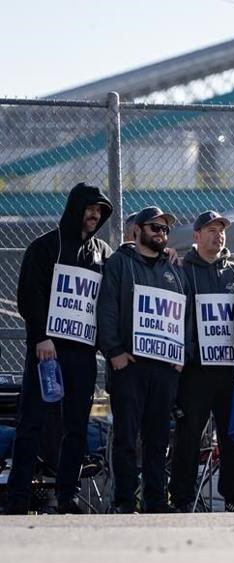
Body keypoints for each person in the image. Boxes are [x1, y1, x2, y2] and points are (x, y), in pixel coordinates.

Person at [5, 183, 114, 515]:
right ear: (74, 208)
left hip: (82, 353)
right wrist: (40, 337)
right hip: (46, 351)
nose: (95, 214)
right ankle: (18, 498)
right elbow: (29, 295)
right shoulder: (45, 247)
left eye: (99, 210)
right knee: (31, 423)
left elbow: (112, 294)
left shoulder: (104, 253)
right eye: (89, 208)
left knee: (77, 426)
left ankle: (68, 494)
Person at [97, 206, 189, 513]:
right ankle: (125, 501)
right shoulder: (119, 264)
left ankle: (155, 500)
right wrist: (114, 351)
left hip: (165, 368)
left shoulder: (175, 268)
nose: (161, 234)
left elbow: (185, 315)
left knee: (158, 439)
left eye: (165, 229)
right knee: (125, 437)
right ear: (137, 230)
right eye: (154, 228)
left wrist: (182, 355)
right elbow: (107, 308)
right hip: (129, 367)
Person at [169, 211, 234, 513]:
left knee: (232, 436)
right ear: (196, 235)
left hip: (229, 370)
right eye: (211, 230)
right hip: (196, 370)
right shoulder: (181, 270)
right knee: (189, 435)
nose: (218, 235)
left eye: (221, 230)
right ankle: (181, 498)